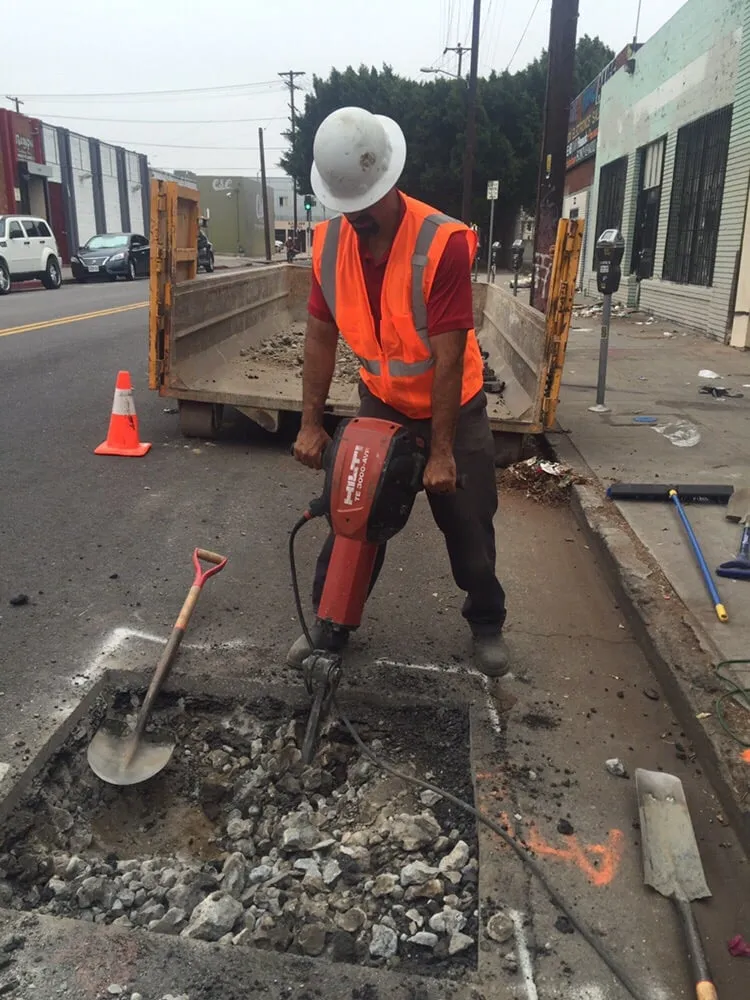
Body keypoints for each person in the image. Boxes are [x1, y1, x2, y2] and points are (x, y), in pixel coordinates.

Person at [289, 106, 508, 677]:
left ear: (388, 182)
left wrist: (440, 453)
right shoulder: (328, 244)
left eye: (364, 204)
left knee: (468, 525)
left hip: (452, 407)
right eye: (346, 206)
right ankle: (330, 624)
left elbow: (448, 352)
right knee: (354, 515)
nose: (356, 216)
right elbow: (319, 333)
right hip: (382, 400)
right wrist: (311, 423)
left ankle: (486, 620)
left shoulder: (443, 243)